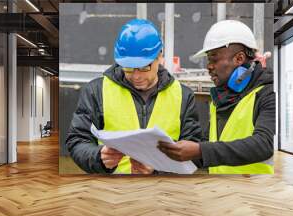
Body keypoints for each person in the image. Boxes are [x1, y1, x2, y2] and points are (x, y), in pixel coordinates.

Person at [66, 19, 202, 174]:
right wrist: (98, 157)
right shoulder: (96, 91)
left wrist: (157, 170)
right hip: (113, 194)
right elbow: (77, 141)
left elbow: (195, 153)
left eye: (144, 67)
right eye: (128, 68)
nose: (136, 76)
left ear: (159, 57)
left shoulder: (183, 96)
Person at [158, 20, 275, 174]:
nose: (208, 66)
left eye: (214, 58)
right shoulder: (220, 99)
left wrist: (200, 150)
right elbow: (207, 150)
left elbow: (264, 145)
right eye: (208, 59)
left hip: (257, 193)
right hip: (221, 191)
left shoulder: (268, 92)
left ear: (239, 59)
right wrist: (164, 157)